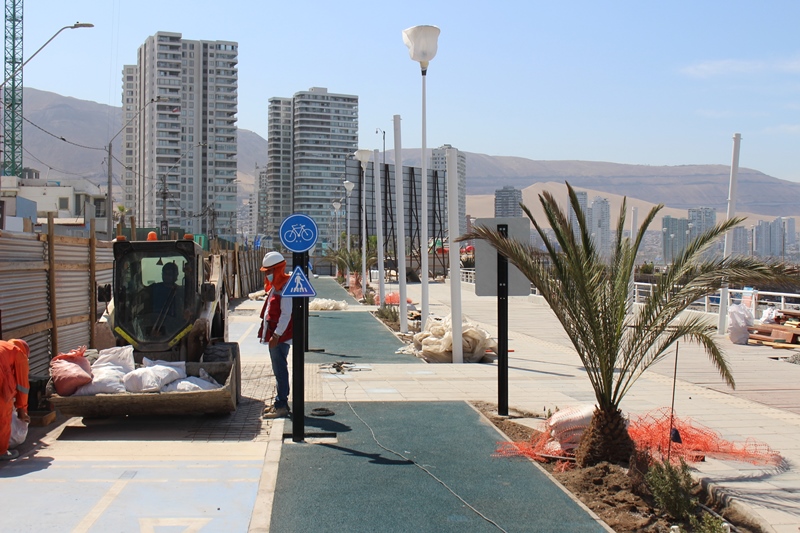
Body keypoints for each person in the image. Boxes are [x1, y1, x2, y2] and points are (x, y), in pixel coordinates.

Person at [257, 251, 293, 419]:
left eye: (269, 271)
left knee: (280, 370)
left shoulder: (285, 287)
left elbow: (286, 314)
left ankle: (281, 405)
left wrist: (276, 336)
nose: (267, 275)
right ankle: (280, 402)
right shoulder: (276, 287)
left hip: (280, 337)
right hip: (276, 335)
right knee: (279, 369)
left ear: (277, 269)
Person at [0, 339, 30, 461]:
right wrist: (22, 410)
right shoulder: (19, 354)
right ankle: (2, 451)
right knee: (3, 415)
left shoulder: (4, 346)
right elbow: (23, 387)